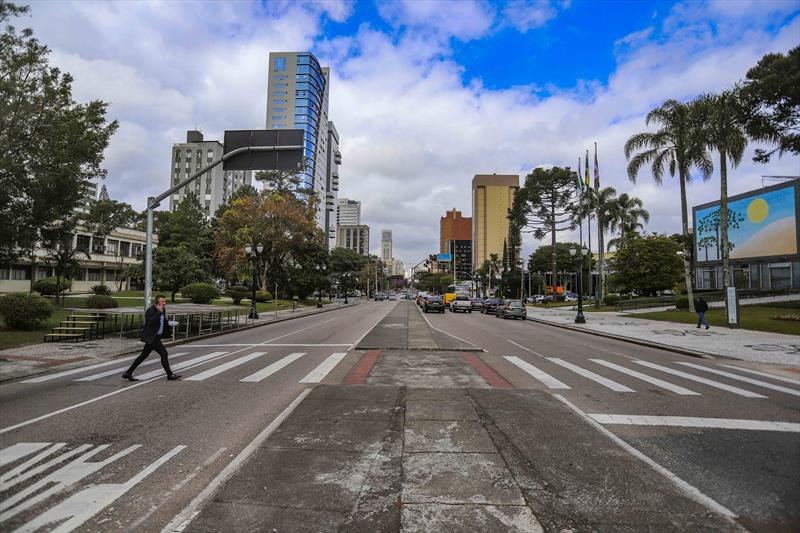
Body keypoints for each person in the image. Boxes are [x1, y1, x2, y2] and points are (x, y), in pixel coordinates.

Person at [122, 295, 181, 381]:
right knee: (164, 354)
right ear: (157, 302)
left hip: (156, 337)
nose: (164, 303)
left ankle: (128, 373)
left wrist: (169, 323)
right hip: (152, 337)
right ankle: (170, 375)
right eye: (162, 301)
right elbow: (150, 321)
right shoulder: (150, 310)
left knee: (143, 356)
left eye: (165, 301)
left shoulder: (162, 310)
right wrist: (159, 312)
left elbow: (162, 321)